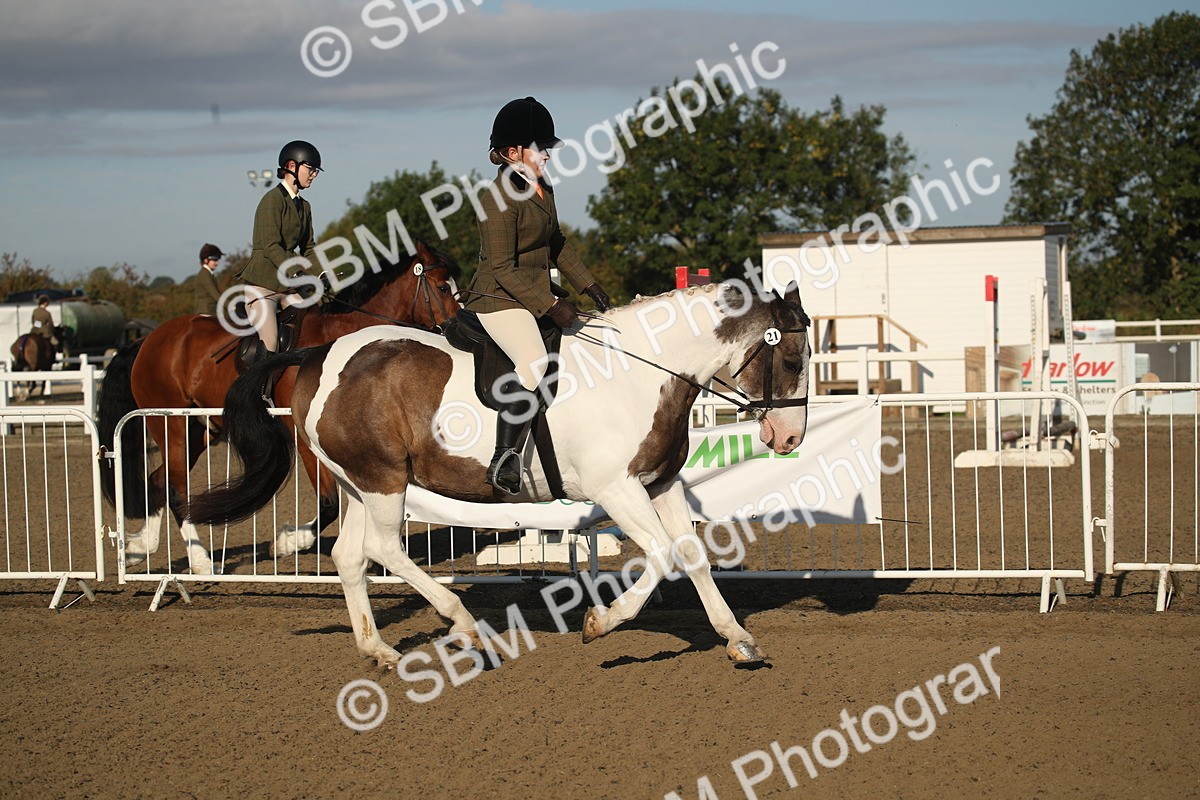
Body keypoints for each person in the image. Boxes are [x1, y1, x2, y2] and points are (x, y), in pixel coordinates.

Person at [461, 97, 611, 495]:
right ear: (513, 153)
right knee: (533, 361)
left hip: (532, 293)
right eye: (539, 148)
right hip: (497, 297)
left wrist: (590, 285)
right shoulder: (495, 198)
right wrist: (551, 305)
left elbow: (557, 242)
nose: (546, 155)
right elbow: (501, 267)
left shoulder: (542, 187)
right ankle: (504, 459)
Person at [235, 140, 328, 360]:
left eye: (316, 171)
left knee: (312, 327)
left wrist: (323, 276)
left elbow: (308, 248)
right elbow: (270, 246)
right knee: (271, 341)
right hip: (263, 286)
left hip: (287, 287)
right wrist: (297, 273)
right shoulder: (272, 200)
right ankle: (258, 393)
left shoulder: (304, 206)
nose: (314, 174)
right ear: (292, 166)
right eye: (310, 169)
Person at [194, 243, 223, 315]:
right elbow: (215, 294)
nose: (216, 263)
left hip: (211, 310)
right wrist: (231, 306)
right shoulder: (204, 275)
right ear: (206, 260)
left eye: (217, 260)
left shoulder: (209, 274)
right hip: (206, 311)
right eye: (214, 260)